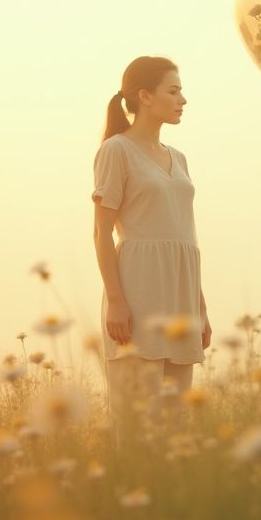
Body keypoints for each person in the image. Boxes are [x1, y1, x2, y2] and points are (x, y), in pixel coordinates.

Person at [91, 56, 212, 454]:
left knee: (175, 432)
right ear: (144, 96)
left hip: (181, 300)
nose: (183, 100)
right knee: (138, 431)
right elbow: (101, 232)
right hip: (138, 296)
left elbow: (184, 233)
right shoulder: (117, 150)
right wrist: (117, 301)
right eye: (173, 91)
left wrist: (200, 305)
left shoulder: (179, 157)